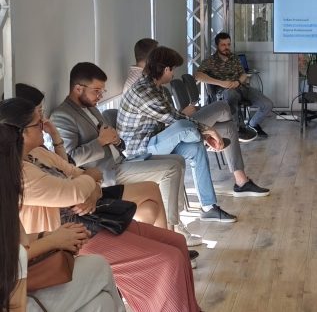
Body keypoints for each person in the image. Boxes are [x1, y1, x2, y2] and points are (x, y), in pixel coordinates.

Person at [2, 97, 202, 312]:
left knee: (177, 242)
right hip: (73, 232)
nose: (44, 125)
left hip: (91, 215)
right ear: (22, 133)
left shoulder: (37, 153)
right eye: (38, 123)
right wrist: (87, 183)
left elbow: (81, 174)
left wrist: (90, 189)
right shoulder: (20, 173)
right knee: (170, 260)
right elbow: (76, 188)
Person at [51, 62, 199, 245]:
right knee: (171, 168)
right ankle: (174, 231)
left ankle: (160, 240)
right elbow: (69, 159)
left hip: (121, 160)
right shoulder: (62, 116)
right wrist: (100, 141)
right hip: (105, 173)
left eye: (102, 91)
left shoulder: (91, 107)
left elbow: (114, 140)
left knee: (156, 200)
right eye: (96, 91)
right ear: (78, 89)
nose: (100, 96)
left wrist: (116, 140)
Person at [118, 46, 269, 222]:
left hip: (157, 139)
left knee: (198, 146)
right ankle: (213, 137)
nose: (174, 74)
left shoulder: (153, 86)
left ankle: (208, 207)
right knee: (191, 124)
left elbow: (172, 117)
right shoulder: (145, 91)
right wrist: (207, 130)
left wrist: (204, 131)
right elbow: (174, 119)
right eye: (173, 69)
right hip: (142, 150)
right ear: (166, 69)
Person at [0, 123, 125, 312]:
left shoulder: (32, 162)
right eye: (38, 123)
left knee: (102, 303)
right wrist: (52, 241)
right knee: (99, 267)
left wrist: (49, 235)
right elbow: (8, 259)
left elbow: (12, 242)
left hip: (18, 285)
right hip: (13, 297)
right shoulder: (23, 178)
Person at [195, 32, 273, 138]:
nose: (226, 47)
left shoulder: (235, 58)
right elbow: (198, 75)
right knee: (230, 94)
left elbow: (243, 74)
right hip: (225, 91)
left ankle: (252, 125)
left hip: (241, 88)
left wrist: (238, 82)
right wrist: (220, 83)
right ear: (217, 45)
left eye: (228, 44)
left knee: (267, 104)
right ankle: (236, 130)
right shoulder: (210, 61)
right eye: (223, 45)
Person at [15, 83, 69, 162]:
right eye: (39, 111)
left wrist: (55, 135)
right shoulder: (16, 164)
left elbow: (65, 167)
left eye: (41, 111)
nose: (42, 119)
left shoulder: (40, 150)